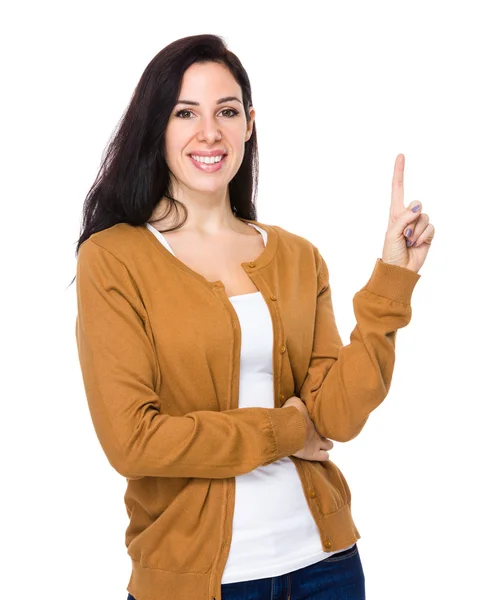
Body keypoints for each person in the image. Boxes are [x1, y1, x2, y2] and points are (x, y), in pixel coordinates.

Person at [73, 34, 435, 600]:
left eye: (226, 111)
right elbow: (134, 441)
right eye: (185, 112)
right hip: (197, 580)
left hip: (326, 566)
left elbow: (336, 415)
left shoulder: (296, 256)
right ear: (157, 126)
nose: (209, 132)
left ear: (249, 123)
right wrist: (288, 429)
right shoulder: (114, 258)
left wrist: (394, 278)